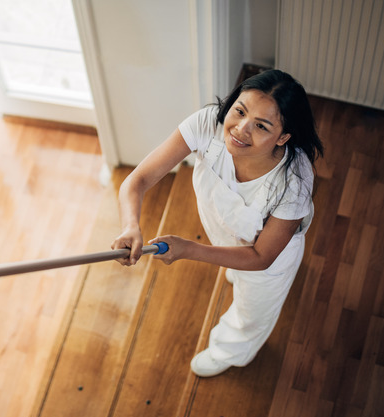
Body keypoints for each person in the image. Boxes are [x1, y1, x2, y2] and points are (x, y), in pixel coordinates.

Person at [111, 69, 323, 377]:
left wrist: (188, 249)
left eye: (261, 126)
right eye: (240, 111)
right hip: (224, 233)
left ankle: (231, 350)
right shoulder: (208, 124)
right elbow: (138, 180)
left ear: (284, 137)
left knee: (251, 314)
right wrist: (130, 224)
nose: (240, 129)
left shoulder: (294, 181)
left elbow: (261, 257)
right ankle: (234, 271)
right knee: (234, 265)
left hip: (269, 260)